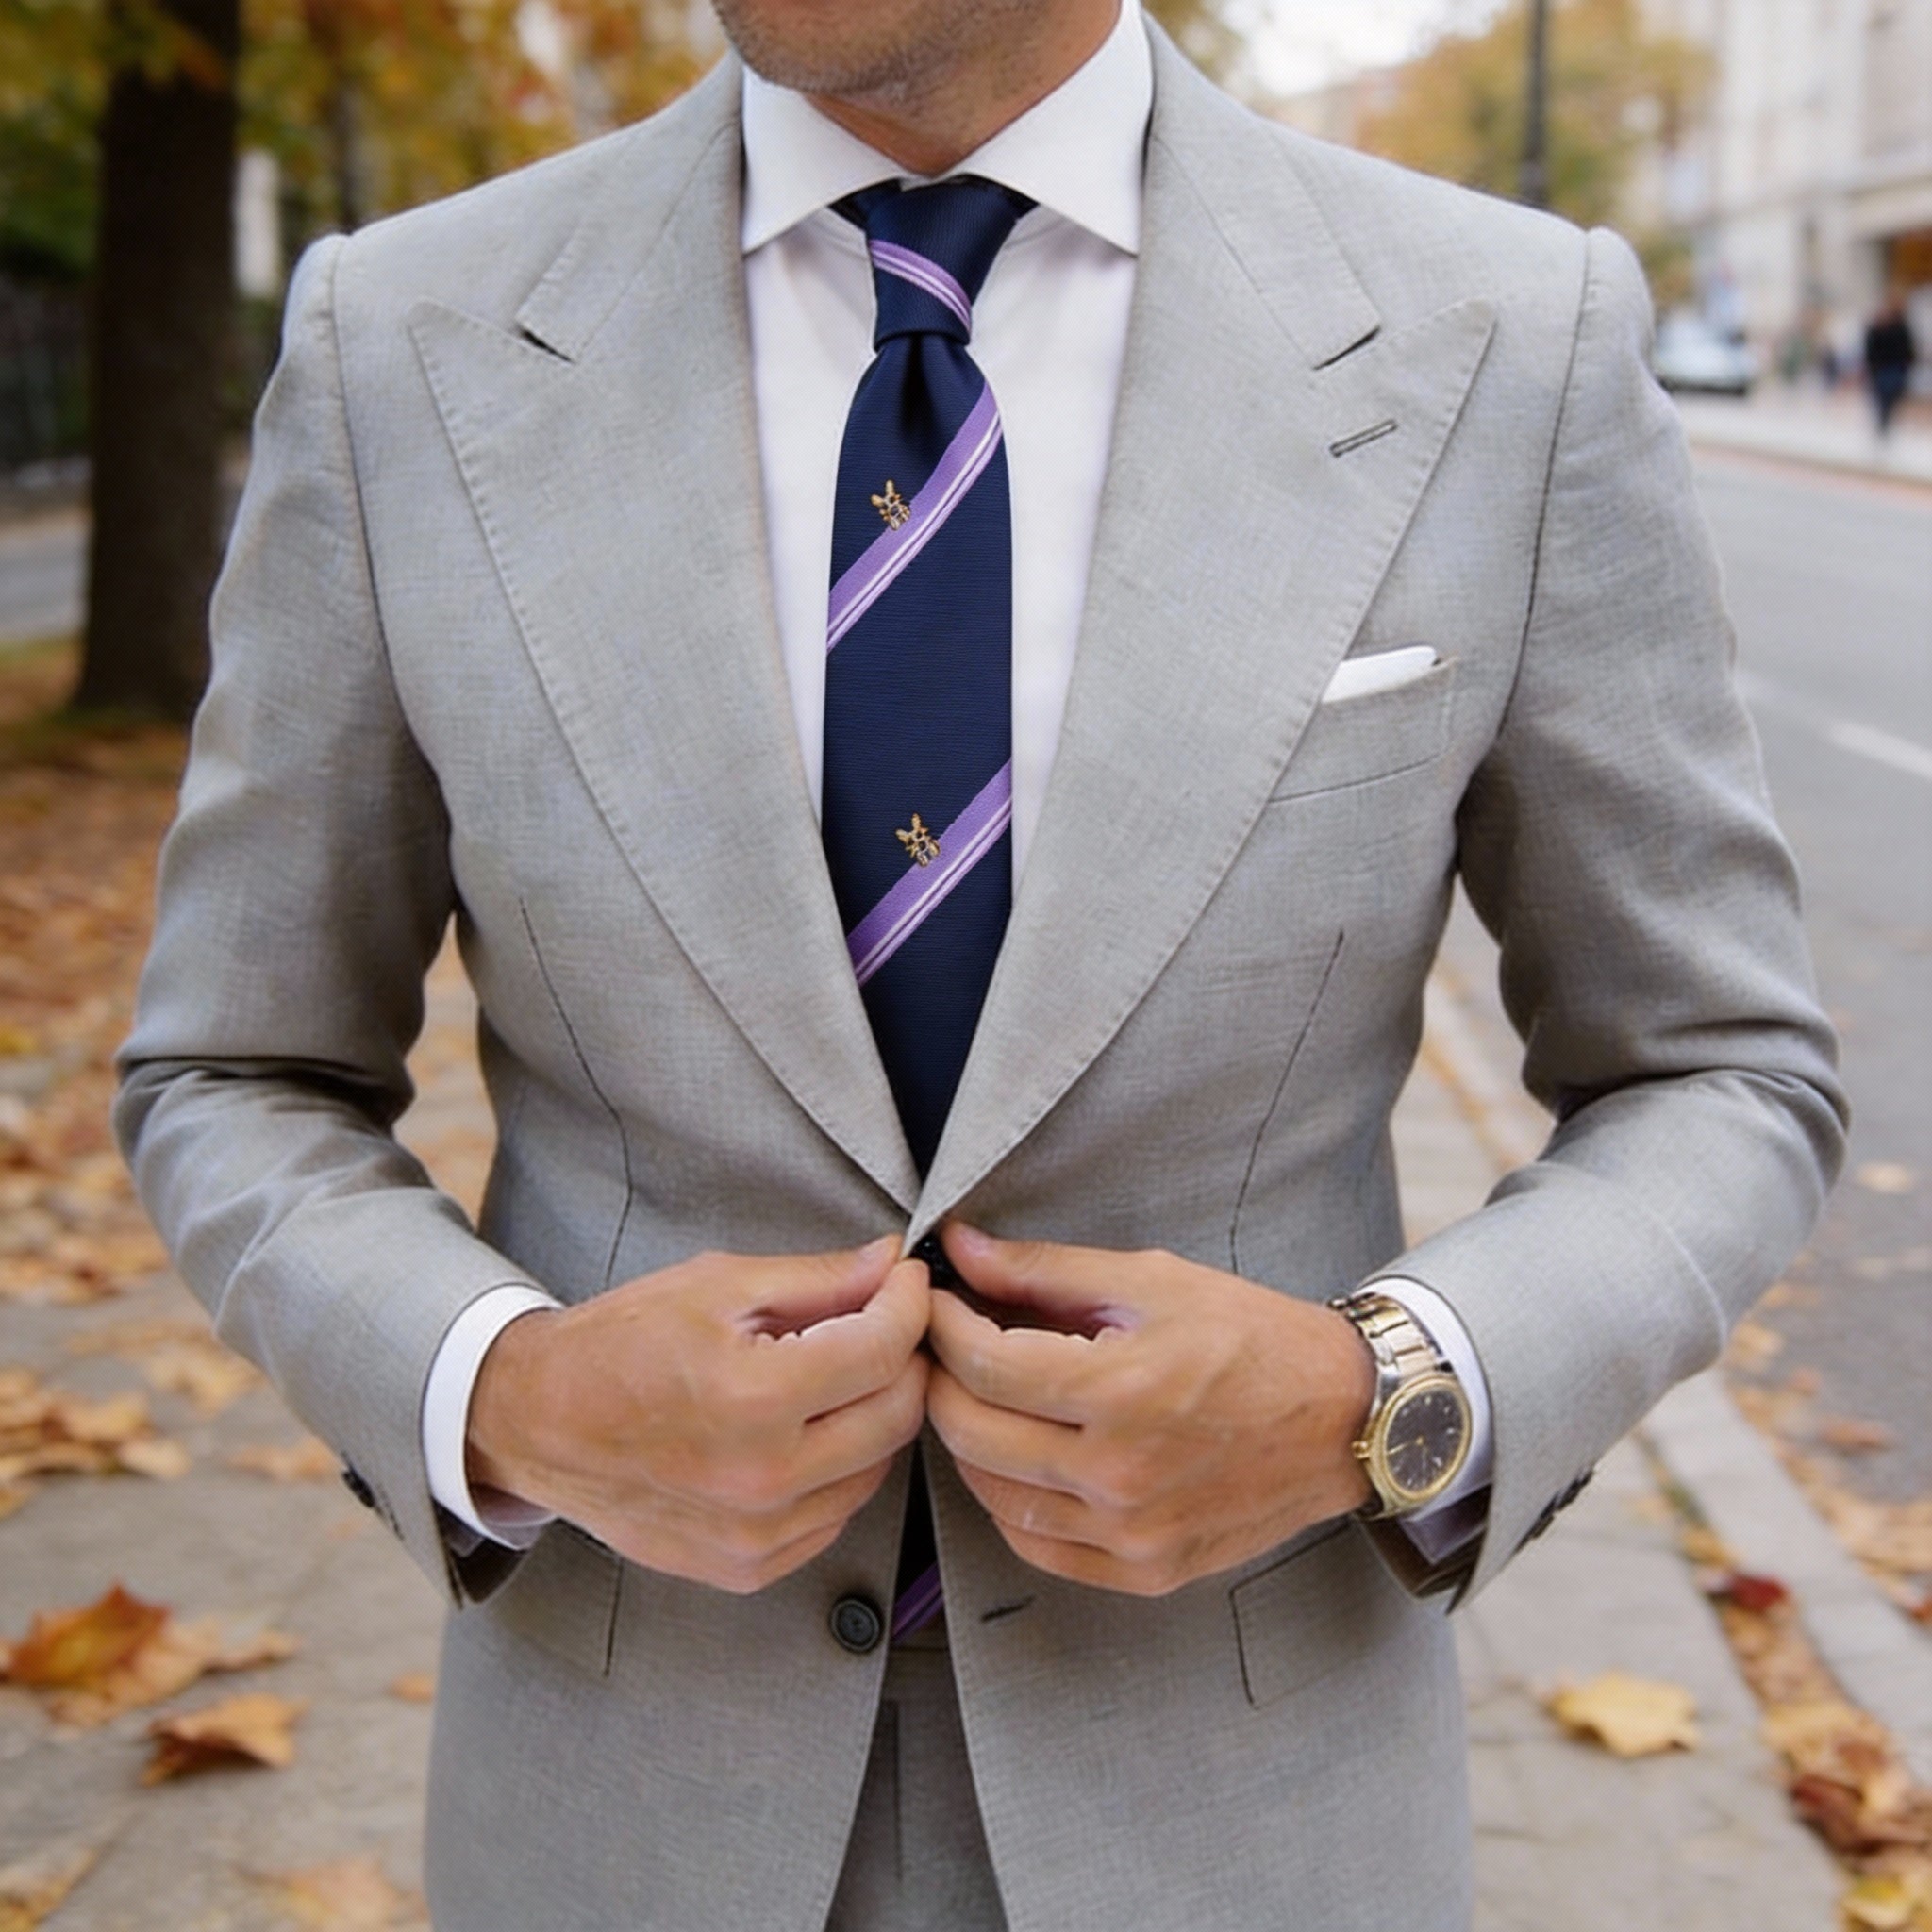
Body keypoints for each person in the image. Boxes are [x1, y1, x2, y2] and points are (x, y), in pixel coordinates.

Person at [116, 2, 1845, 1926]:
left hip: (1250, 1811)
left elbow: (1718, 1067)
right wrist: (499, 1392)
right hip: (624, 1812)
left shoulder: (1505, 340)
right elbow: (234, 1066)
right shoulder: (404, 345)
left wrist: (1387, 1395)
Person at [1865, 288, 1919, 437]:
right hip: (1883, 369)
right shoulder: (1879, 324)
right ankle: (1883, 426)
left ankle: (1885, 426)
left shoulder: (1902, 325)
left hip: (1895, 369)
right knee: (1883, 398)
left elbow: (1908, 349)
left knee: (1890, 398)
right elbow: (1871, 345)